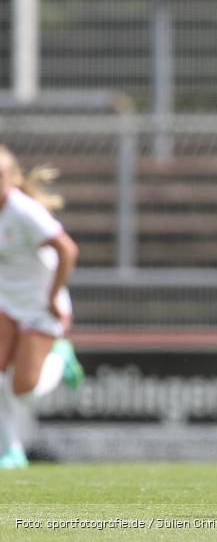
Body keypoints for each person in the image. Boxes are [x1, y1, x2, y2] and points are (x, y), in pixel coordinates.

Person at [0, 145, 83, 469]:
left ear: (12, 177)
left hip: (39, 305)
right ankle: (11, 452)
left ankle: (60, 359)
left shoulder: (23, 211)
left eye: (2, 175)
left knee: (23, 390)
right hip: (7, 301)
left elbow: (67, 250)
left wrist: (53, 296)